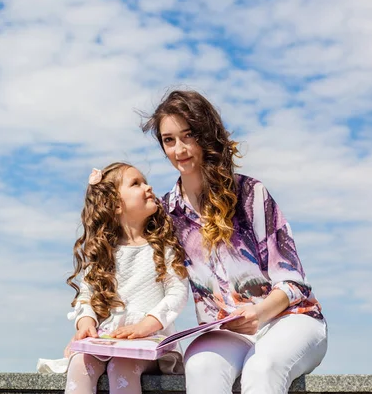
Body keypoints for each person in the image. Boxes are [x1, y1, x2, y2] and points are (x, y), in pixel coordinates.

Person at [141, 90, 328, 394]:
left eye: (188, 135)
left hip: (290, 319)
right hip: (225, 331)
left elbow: (294, 282)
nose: (179, 149)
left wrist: (260, 313)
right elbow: (126, 251)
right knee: (199, 366)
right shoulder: (166, 213)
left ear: (206, 135)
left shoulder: (251, 194)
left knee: (262, 366)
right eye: (169, 140)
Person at [63, 162, 188, 394]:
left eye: (145, 181)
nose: (148, 187)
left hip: (149, 341)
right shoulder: (104, 251)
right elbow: (87, 295)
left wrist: (145, 326)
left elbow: (177, 292)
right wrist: (86, 323)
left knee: (123, 365)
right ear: (116, 205)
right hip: (106, 339)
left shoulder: (163, 246)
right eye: (136, 183)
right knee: (80, 363)